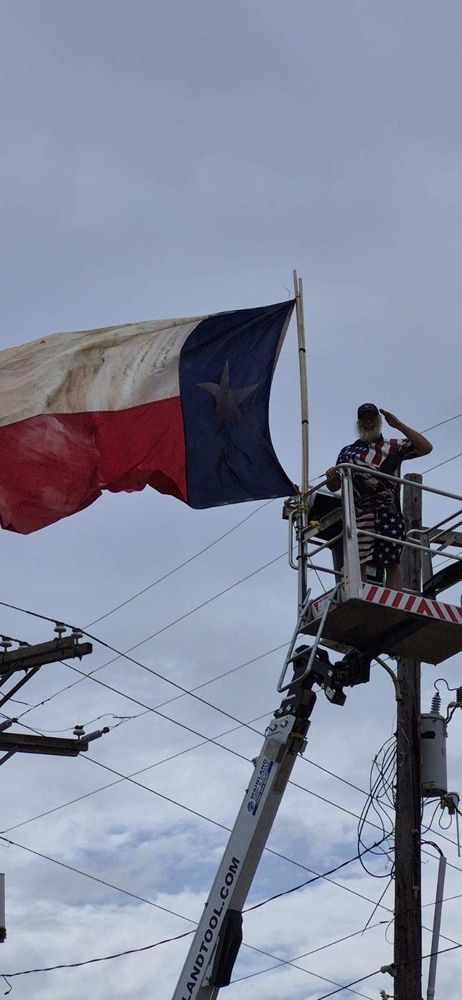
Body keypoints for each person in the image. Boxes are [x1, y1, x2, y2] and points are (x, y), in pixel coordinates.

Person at [325, 404, 432, 590]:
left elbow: (426, 448)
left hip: (389, 512)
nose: (368, 422)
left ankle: (395, 600)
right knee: (359, 559)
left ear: (379, 420)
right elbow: (334, 486)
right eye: (364, 419)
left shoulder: (394, 446)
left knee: (392, 560)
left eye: (372, 418)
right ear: (358, 422)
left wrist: (398, 424)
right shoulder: (347, 452)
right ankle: (359, 596)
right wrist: (331, 477)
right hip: (359, 513)